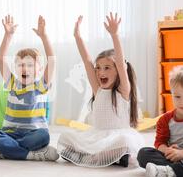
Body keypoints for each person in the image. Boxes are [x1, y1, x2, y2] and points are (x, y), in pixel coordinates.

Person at [57, 13, 144, 168]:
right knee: (65, 137)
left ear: (118, 70)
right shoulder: (98, 89)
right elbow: (87, 60)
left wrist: (114, 35)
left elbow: (121, 64)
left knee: (125, 141)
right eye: (98, 68)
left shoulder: (123, 90)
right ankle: (103, 157)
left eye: (107, 68)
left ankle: (97, 157)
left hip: (117, 137)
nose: (100, 72)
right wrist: (77, 37)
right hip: (97, 136)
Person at [0, 15, 59, 161]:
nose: (25, 68)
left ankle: (4, 151)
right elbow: (0, 58)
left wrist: (44, 36)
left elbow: (52, 59)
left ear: (39, 69)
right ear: (15, 68)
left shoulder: (40, 85)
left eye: (30, 65)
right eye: (20, 65)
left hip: (33, 133)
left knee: (44, 135)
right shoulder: (12, 83)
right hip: (10, 133)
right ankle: (30, 154)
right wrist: (8, 35)